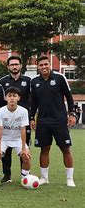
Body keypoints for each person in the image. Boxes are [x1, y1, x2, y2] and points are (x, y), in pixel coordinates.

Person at [30, 55, 76, 187]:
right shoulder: (34, 82)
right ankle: (44, 178)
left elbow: (69, 97)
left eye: (46, 64)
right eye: (41, 65)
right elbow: (33, 102)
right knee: (44, 149)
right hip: (43, 121)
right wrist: (32, 117)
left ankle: (69, 179)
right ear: (37, 67)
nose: (44, 67)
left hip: (59, 120)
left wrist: (72, 113)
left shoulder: (60, 78)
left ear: (49, 65)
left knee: (65, 148)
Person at [0, 56, 31, 183]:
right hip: (6, 120)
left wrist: (32, 116)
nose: (14, 67)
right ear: (8, 67)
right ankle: (7, 174)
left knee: (23, 148)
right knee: (6, 151)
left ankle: (25, 175)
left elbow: (33, 99)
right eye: (12, 64)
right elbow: (1, 101)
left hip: (22, 120)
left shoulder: (28, 81)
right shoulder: (3, 81)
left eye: (16, 64)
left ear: (21, 65)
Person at [0, 87, 31, 188]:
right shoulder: (0, 111)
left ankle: (24, 179)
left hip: (17, 138)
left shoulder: (23, 111)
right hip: (4, 138)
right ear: (5, 98)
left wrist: (23, 148)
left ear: (19, 98)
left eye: (14, 96)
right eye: (10, 96)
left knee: (26, 157)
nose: (12, 98)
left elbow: (23, 129)